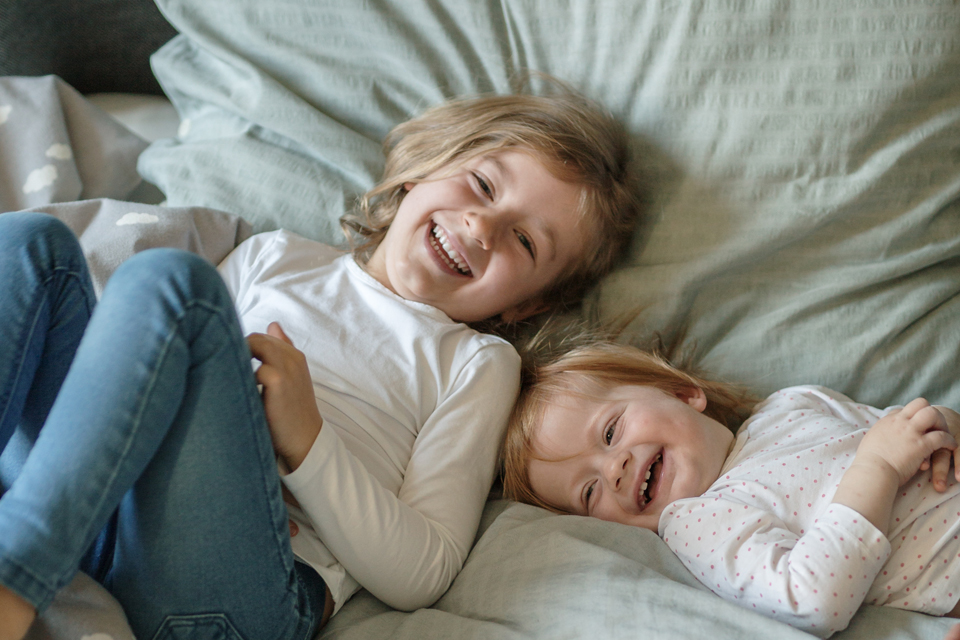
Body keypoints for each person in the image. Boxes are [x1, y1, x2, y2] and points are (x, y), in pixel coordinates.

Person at [0, 90, 642, 640]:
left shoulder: (476, 363)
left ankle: (13, 579)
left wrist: (305, 439)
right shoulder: (273, 257)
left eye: (525, 241)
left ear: (526, 305)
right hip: (110, 512)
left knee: (171, 285)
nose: (481, 227)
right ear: (421, 170)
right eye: (482, 185)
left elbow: (425, 571)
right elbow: (151, 374)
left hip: (241, 579)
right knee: (33, 246)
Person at [501, 340, 960, 638]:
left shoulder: (791, 403)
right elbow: (813, 601)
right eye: (589, 492)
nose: (613, 469)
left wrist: (943, 425)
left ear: (681, 393)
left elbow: (900, 429)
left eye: (609, 432)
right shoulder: (698, 522)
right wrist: (878, 467)